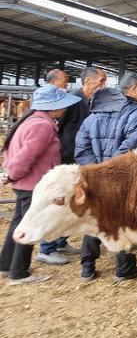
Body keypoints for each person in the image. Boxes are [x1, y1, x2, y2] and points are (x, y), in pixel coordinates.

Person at [0, 85, 81, 285]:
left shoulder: (30, 121)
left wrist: (9, 173)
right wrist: (11, 174)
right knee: (29, 226)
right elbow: (26, 157)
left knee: (18, 223)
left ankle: (6, 265)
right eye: (61, 105)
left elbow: (10, 150)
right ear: (52, 106)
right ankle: (19, 273)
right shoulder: (42, 126)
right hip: (33, 184)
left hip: (24, 183)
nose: (64, 108)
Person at [74, 72, 137, 283]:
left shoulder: (95, 112)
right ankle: (124, 268)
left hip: (94, 174)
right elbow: (132, 148)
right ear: (133, 89)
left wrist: (95, 170)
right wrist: (110, 171)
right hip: (122, 177)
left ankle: (87, 266)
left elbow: (82, 147)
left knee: (95, 215)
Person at [38, 66, 107, 264]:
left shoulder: (93, 101)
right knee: (59, 200)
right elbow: (56, 126)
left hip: (80, 158)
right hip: (66, 157)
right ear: (88, 82)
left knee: (74, 200)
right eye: (101, 81)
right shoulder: (73, 100)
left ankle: (60, 241)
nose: (104, 85)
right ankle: (46, 249)